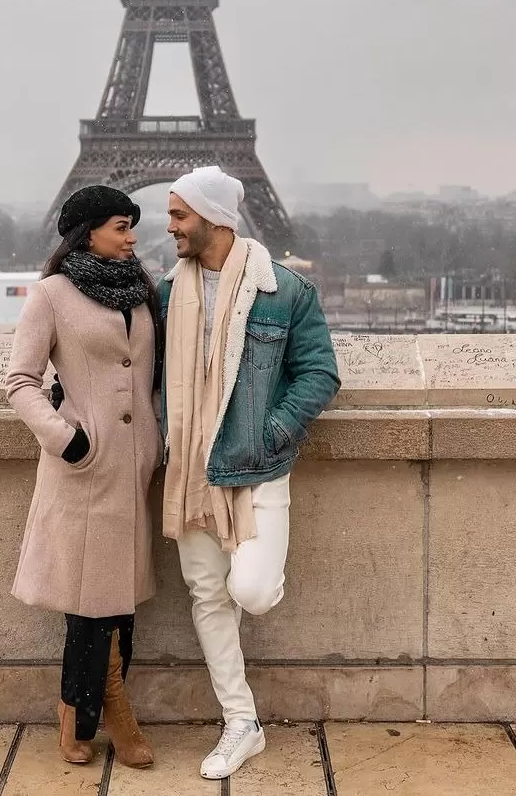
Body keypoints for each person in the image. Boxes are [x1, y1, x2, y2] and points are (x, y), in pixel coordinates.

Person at [159, 165, 340, 780]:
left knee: (251, 593)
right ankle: (242, 722)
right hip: (190, 468)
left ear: (213, 218)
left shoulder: (283, 290)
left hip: (258, 467)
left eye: (179, 215)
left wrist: (273, 431)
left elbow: (320, 372)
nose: (171, 226)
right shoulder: (165, 292)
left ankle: (242, 712)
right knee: (208, 595)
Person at [6, 185, 162, 769]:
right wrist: (66, 438)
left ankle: (82, 708)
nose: (132, 237)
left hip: (135, 465)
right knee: (91, 603)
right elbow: (20, 380)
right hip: (85, 469)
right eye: (122, 226)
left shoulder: (141, 292)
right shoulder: (50, 295)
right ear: (88, 230)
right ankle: (104, 707)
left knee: (118, 601)